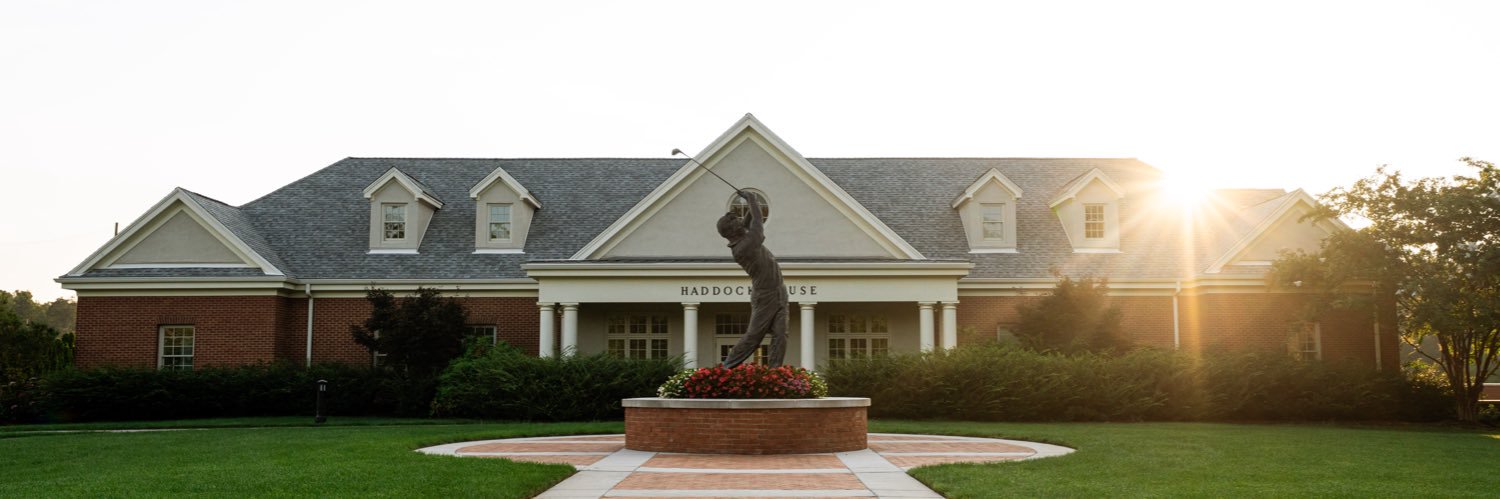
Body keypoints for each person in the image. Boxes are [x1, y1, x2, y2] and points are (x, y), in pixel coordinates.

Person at [715, 190, 788, 368]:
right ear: (731, 230)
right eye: (736, 221)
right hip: (765, 296)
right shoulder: (743, 247)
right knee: (753, 337)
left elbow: (748, 221)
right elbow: (757, 224)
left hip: (779, 291)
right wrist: (752, 200)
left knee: (781, 335)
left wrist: (751, 202)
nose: (740, 221)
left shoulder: (742, 237)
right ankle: (726, 367)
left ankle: (775, 373)